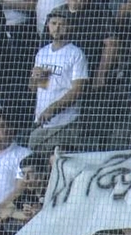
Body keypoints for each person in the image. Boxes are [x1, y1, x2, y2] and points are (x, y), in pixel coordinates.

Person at [28, 6, 88, 157]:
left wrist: (53, 108)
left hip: (65, 123)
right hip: (42, 122)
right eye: (54, 23)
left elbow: (77, 90)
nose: (57, 27)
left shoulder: (76, 54)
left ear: (70, 27)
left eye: (62, 24)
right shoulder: (42, 53)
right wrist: (34, 79)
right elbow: (34, 89)